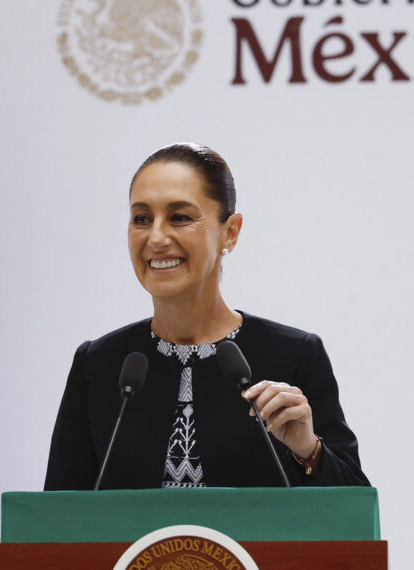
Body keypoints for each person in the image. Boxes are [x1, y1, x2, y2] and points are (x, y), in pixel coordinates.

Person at [44, 143, 370, 490]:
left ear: (230, 232)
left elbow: (353, 515)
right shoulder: (99, 365)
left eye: (179, 217)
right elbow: (54, 524)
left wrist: (309, 451)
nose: (155, 238)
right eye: (141, 219)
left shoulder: (294, 356)